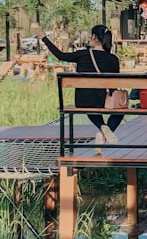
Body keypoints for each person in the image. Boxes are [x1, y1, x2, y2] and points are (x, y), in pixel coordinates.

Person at [36, 24, 123, 154]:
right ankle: (105, 130)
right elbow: (115, 82)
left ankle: (102, 128)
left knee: (90, 108)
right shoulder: (113, 59)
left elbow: (61, 56)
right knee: (120, 112)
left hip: (84, 100)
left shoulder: (83, 55)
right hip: (105, 100)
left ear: (94, 37)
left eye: (90, 35)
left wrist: (44, 38)